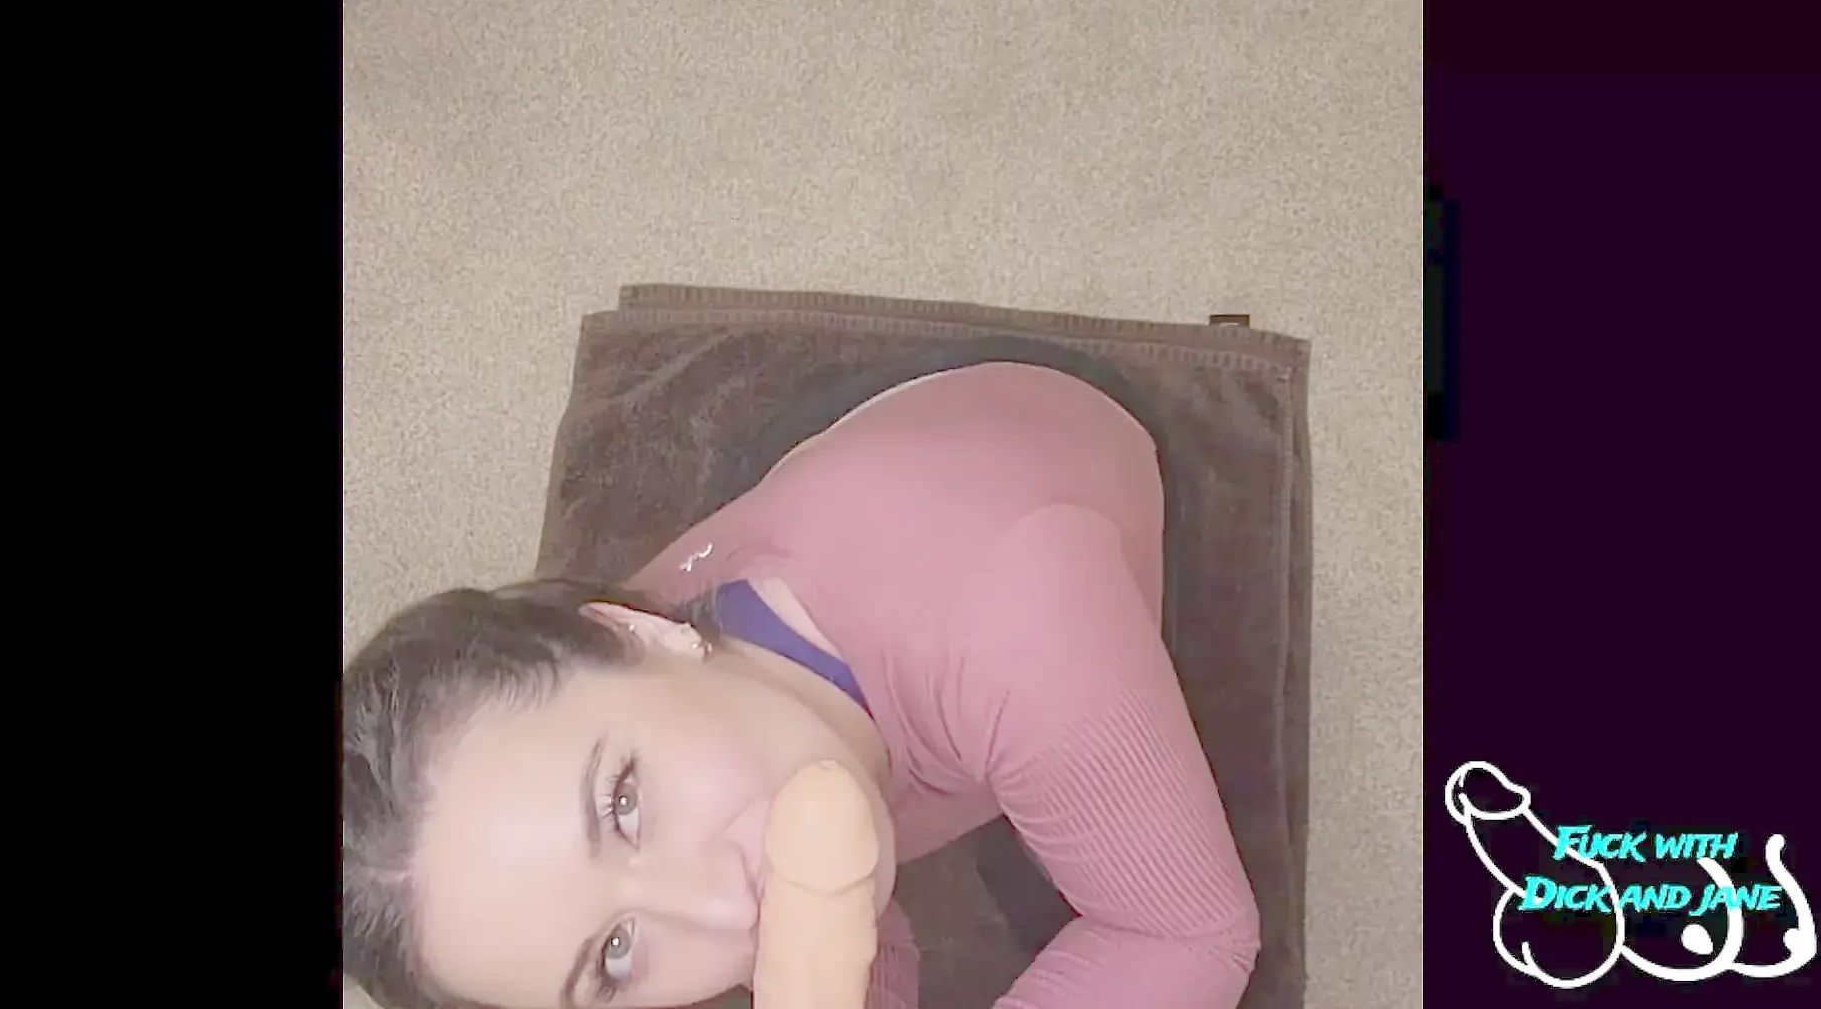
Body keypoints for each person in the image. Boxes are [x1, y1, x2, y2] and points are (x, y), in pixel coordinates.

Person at [342, 337, 1262, 1009]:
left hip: (1051, 429)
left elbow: (1187, 932)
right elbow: (847, 931)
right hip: (844, 479)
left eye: (624, 803)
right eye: (614, 956)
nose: (723, 909)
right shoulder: (656, 691)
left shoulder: (1018, 610)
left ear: (638, 630)